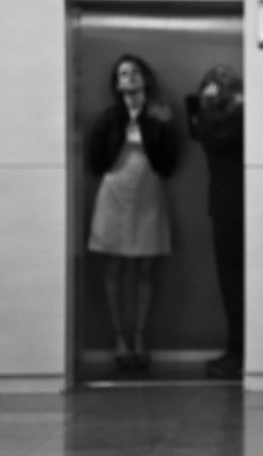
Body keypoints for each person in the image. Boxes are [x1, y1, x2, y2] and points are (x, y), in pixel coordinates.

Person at [88, 53, 178, 372]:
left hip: (149, 194)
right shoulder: (108, 117)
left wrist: (158, 122)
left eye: (135, 71)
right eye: (123, 73)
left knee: (145, 268)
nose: (130, 77)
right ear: (116, 83)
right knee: (113, 267)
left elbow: (170, 160)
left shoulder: (158, 115)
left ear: (145, 78)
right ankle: (119, 338)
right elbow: (95, 159)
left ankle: (139, 337)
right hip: (114, 192)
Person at [185, 65, 244, 379]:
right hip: (224, 207)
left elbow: (216, 138)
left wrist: (205, 106)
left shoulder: (240, 118)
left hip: (237, 207)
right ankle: (237, 348)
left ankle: (241, 351)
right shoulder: (215, 119)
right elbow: (199, 133)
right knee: (230, 283)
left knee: (237, 282)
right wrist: (199, 105)